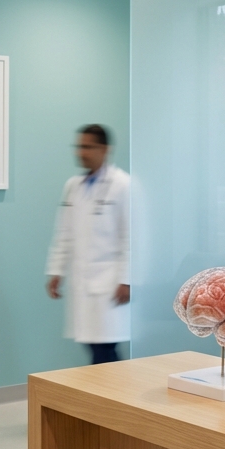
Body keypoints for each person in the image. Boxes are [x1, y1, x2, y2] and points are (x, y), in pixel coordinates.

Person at [46, 124, 130, 363]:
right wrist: (56, 270)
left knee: (104, 351)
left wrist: (127, 280)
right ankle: (110, 397)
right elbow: (64, 232)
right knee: (95, 348)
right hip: (82, 282)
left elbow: (131, 236)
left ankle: (113, 398)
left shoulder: (122, 185)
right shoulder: (73, 186)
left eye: (88, 147)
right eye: (79, 147)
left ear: (104, 149)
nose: (81, 152)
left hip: (109, 283)